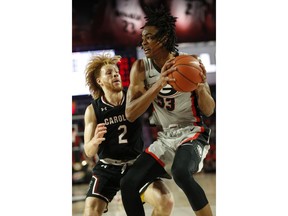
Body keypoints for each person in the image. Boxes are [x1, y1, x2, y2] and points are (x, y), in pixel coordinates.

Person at [120, 6, 215, 216]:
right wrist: (158, 84)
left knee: (181, 173)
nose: (143, 42)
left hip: (193, 134)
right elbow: (130, 114)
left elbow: (208, 110)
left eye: (149, 38)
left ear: (163, 39)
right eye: (142, 37)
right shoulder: (140, 68)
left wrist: (200, 88)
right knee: (128, 183)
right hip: (164, 138)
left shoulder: (190, 63)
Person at [82, 53, 174, 216]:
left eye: (116, 71)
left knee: (166, 201)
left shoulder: (133, 98)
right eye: (109, 73)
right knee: (90, 211)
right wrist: (95, 141)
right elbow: (88, 151)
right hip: (108, 167)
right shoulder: (93, 110)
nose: (115, 74)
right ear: (99, 81)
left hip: (136, 164)